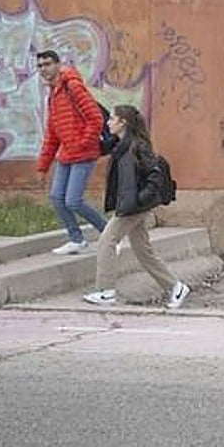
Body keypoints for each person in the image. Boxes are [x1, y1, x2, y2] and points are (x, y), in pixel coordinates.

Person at [83, 105, 190, 309]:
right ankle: (175, 287)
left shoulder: (138, 146)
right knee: (143, 249)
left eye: (112, 119)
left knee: (107, 240)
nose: (108, 123)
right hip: (130, 203)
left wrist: (141, 199)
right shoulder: (119, 143)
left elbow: (155, 174)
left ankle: (106, 290)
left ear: (123, 123)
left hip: (134, 205)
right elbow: (99, 145)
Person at [36, 50, 109, 255]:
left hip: (84, 154)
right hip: (66, 155)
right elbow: (52, 134)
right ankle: (76, 239)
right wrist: (43, 166)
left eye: (47, 64)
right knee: (57, 198)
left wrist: (83, 143)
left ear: (59, 64)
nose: (43, 69)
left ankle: (109, 234)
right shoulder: (53, 95)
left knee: (73, 200)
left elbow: (96, 119)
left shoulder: (72, 87)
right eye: (40, 66)